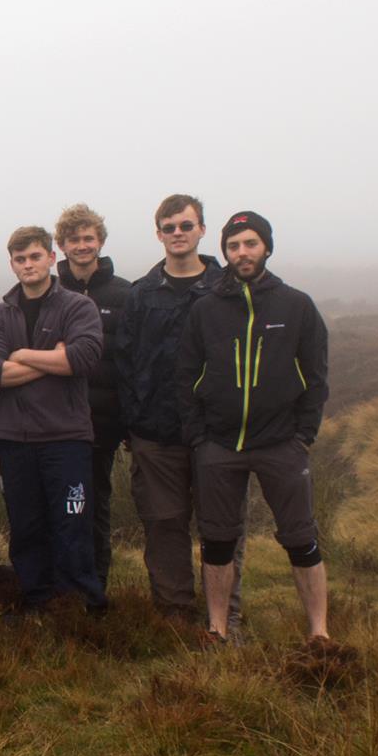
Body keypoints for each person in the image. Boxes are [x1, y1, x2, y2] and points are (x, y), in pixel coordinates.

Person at [181, 212, 332, 644]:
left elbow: (316, 376)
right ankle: (217, 629)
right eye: (233, 246)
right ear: (225, 252)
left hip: (282, 442)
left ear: (266, 247)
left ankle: (319, 633)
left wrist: (304, 435)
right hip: (218, 444)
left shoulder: (297, 305)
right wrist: (198, 436)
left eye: (250, 244)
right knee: (217, 541)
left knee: (301, 539)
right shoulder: (205, 309)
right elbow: (186, 375)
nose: (242, 253)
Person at [115, 195, 247, 624]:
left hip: (218, 434)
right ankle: (174, 614)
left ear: (202, 231)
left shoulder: (230, 290)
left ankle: (224, 617)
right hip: (155, 434)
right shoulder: (140, 295)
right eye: (169, 227)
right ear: (158, 234)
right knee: (163, 524)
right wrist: (131, 424)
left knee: (222, 529)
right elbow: (124, 361)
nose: (177, 234)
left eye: (185, 226)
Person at [0, 227, 108, 617]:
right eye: (20, 259)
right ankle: (37, 600)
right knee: (26, 526)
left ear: (52, 258)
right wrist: (51, 360)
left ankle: (80, 605)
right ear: (12, 264)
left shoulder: (77, 307)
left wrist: (19, 355)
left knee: (72, 522)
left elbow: (83, 359)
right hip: (14, 438)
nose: (28, 265)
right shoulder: (1, 314)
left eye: (35, 256)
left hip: (66, 437)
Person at [52, 204, 131, 590]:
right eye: (74, 239)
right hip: (55, 419)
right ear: (61, 245)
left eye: (88, 238)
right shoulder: (49, 292)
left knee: (95, 503)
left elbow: (134, 360)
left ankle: (95, 584)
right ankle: (60, 582)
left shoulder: (125, 294)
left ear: (99, 241)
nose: (82, 246)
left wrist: (130, 420)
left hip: (104, 420)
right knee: (60, 506)